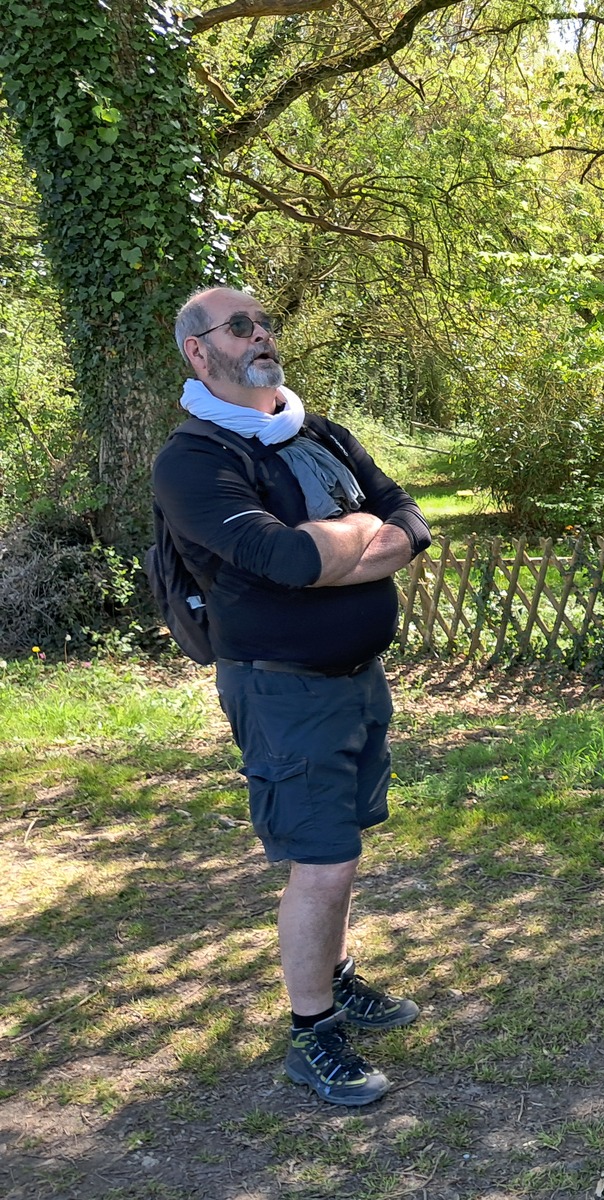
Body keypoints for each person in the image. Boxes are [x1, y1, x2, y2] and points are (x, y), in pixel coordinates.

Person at [152, 287, 433, 1105]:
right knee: (322, 860)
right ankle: (312, 1034)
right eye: (239, 326)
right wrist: (362, 536)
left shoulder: (318, 432)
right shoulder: (195, 459)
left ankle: (335, 976)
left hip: (356, 680)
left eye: (264, 321)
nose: (261, 335)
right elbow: (285, 561)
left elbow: (409, 518)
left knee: (342, 848)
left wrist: (347, 544)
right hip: (281, 691)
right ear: (199, 351)